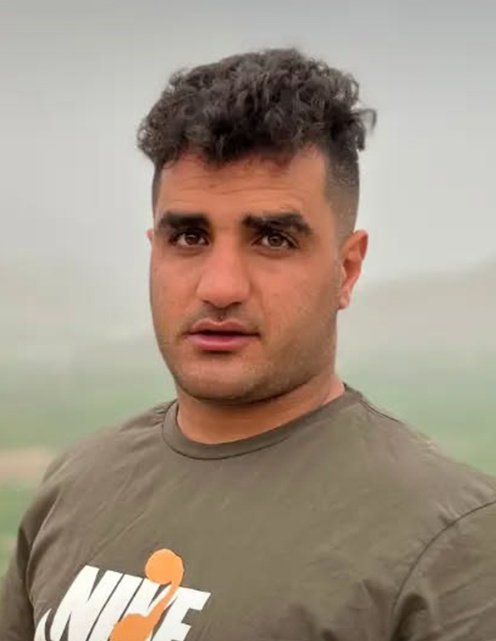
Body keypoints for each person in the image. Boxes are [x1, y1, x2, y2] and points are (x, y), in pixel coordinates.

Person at [1, 48, 495, 641]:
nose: (220, 287)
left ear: (347, 269)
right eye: (189, 237)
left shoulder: (453, 540)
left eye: (273, 239)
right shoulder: (77, 485)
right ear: (154, 249)